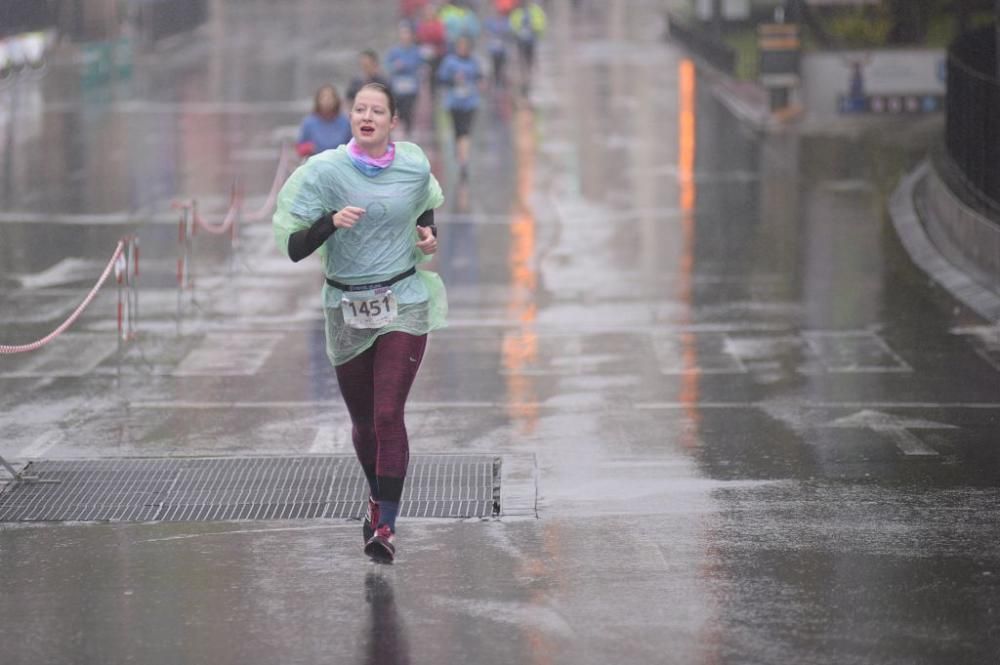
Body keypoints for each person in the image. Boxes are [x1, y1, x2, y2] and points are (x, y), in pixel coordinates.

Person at [272, 83, 445, 563]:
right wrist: (329, 222)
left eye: (377, 111)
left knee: (389, 414)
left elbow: (424, 203)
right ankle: (376, 494)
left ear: (393, 122)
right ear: (351, 118)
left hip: (402, 300)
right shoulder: (325, 172)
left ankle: (385, 525)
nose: (366, 116)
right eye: (360, 109)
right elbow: (293, 247)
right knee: (364, 423)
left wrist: (428, 234)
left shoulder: (413, 165)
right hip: (347, 305)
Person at [437, 35, 483, 178]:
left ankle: (464, 161)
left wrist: (479, 84)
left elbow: (480, 78)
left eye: (465, 46)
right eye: (460, 46)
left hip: (470, 102)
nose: (463, 49)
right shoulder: (449, 62)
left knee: (465, 131)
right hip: (454, 103)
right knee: (457, 131)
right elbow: (441, 79)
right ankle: (460, 154)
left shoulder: (474, 62)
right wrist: (453, 80)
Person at [385, 22, 424, 136]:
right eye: (403, 34)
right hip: (398, 87)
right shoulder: (394, 51)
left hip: (411, 87)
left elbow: (421, 67)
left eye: (407, 34)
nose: (405, 36)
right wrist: (395, 66)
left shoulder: (417, 51)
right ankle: (399, 132)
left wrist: (409, 67)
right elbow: (388, 66)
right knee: (398, 110)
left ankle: (408, 132)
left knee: (409, 110)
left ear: (412, 36)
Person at [296, 84, 352, 158]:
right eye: (323, 97)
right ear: (317, 100)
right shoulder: (309, 123)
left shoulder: (345, 122)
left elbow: (353, 147)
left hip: (339, 162)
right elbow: (300, 148)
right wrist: (309, 148)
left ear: (336, 100)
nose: (326, 101)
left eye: (330, 97)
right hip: (315, 163)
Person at [509, 0, 545, 96]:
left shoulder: (535, 10)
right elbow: (512, 24)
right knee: (521, 61)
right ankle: (524, 79)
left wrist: (535, 31)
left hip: (531, 41)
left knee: (531, 60)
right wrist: (516, 33)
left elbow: (541, 23)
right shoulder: (517, 11)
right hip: (520, 41)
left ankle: (530, 78)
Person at [484, 4, 511, 88]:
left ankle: (501, 84)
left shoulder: (506, 22)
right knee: (494, 67)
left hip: (502, 50)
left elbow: (509, 33)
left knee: (502, 68)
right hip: (493, 50)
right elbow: (486, 32)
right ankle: (494, 84)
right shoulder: (490, 21)